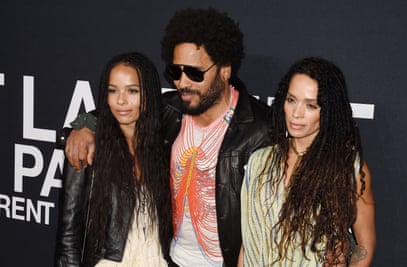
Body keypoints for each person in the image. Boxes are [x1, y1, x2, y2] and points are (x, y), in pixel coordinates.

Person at [61, 8, 271, 267]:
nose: (182, 82)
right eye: (176, 71)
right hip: (170, 260)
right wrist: (84, 125)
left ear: (225, 70)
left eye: (194, 73)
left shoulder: (261, 130)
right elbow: (119, 112)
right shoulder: (170, 111)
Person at [239, 57, 376, 266]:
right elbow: (249, 242)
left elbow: (365, 245)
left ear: (328, 111)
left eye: (311, 106)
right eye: (291, 100)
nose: (296, 113)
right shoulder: (260, 161)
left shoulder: (347, 168)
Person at [55, 52, 172, 267]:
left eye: (132, 91)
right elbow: (68, 237)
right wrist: (84, 124)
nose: (120, 101)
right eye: (112, 90)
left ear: (150, 94)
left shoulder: (163, 147)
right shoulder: (87, 149)